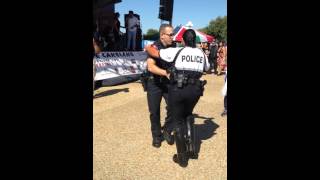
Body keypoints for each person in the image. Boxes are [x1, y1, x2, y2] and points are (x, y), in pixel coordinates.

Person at [146, 29, 210, 167]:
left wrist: (147, 47)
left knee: (178, 121)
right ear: (196, 40)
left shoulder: (177, 51)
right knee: (188, 115)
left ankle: (182, 158)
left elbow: (155, 52)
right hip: (196, 91)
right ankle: (192, 150)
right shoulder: (202, 53)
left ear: (183, 41)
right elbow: (207, 68)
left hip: (179, 89)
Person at [144, 24, 176, 148]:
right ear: (162, 35)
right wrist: (166, 73)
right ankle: (157, 136)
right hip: (154, 83)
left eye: (173, 34)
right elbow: (150, 66)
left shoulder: (173, 46)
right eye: (170, 34)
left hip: (168, 82)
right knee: (154, 111)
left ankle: (167, 130)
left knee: (174, 107)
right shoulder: (154, 47)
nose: (173, 37)